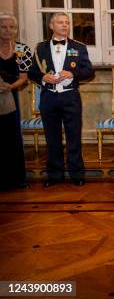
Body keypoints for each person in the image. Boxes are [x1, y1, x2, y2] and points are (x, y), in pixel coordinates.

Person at [28, 13, 94, 187]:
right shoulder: (40, 48)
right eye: (60, 22)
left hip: (70, 96)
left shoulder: (78, 47)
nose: (65, 26)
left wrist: (73, 73)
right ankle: (55, 175)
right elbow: (32, 71)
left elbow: (89, 71)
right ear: (51, 25)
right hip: (49, 97)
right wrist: (43, 77)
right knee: (52, 137)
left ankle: (76, 174)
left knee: (74, 136)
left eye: (67, 23)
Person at [0, 13, 33, 191]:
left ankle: (17, 179)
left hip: (11, 97)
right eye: (3, 27)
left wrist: (10, 87)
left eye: (11, 27)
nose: (8, 30)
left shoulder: (22, 49)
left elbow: (24, 77)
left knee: (12, 138)